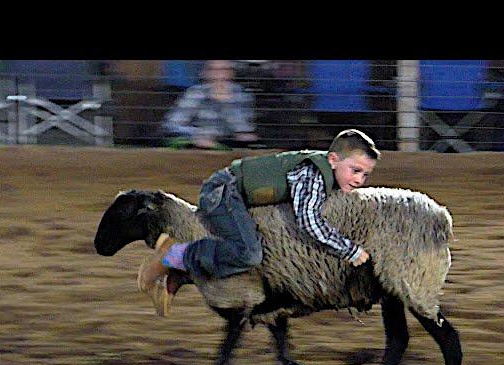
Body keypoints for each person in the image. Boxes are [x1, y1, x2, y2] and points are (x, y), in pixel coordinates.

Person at [138, 129, 380, 315]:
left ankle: (181, 269)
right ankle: (174, 253)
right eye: (355, 170)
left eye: (365, 174)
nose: (360, 180)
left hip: (235, 194)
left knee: (248, 253)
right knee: (249, 254)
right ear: (334, 159)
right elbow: (308, 220)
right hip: (223, 192)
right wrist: (349, 250)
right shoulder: (313, 174)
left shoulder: (325, 172)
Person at [163, 60, 259, 150]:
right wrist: (200, 135)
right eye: (214, 70)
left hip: (230, 146)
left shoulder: (243, 95)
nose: (220, 75)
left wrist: (226, 103)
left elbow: (244, 131)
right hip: (197, 145)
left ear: (232, 73)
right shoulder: (194, 93)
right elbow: (172, 125)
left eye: (225, 70)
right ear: (205, 74)